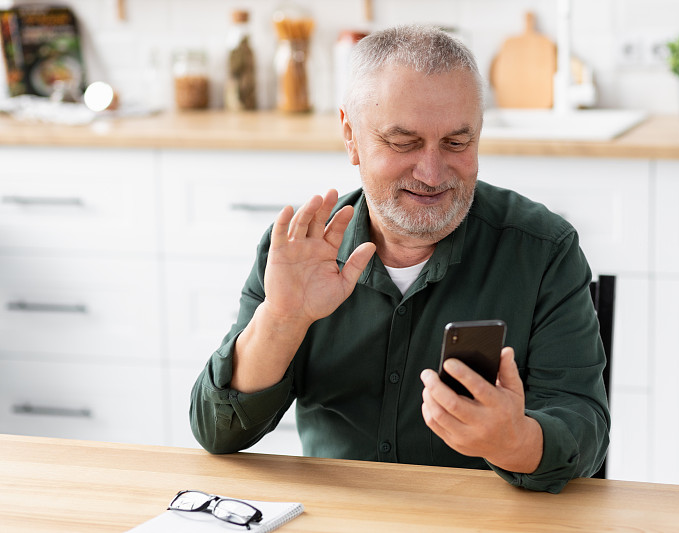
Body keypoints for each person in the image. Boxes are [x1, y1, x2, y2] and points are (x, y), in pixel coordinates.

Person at [190, 24, 609, 494]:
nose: (431, 173)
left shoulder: (544, 251)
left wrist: (515, 442)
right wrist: (282, 321)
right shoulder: (295, 253)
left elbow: (584, 427)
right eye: (403, 142)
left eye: (456, 142)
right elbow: (218, 431)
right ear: (351, 136)